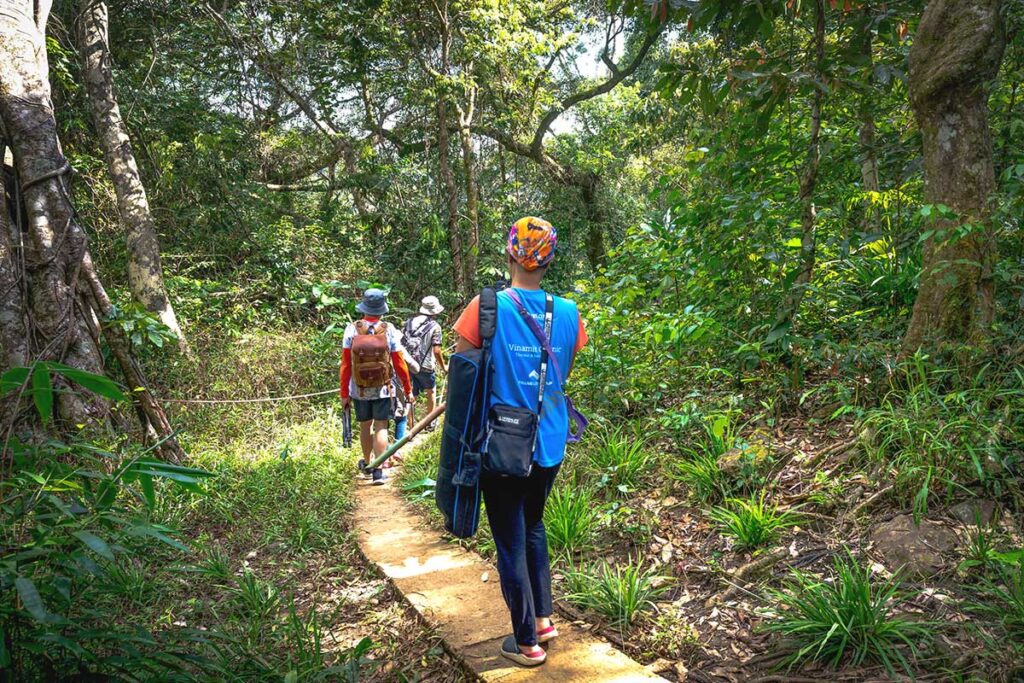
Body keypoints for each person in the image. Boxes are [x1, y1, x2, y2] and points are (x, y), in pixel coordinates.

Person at [452, 217, 587, 667]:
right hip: (550, 440)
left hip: (502, 444)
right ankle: (544, 618)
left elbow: (462, 367)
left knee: (509, 538)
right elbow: (568, 359)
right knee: (532, 523)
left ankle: (526, 642)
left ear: (509, 253)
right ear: (549, 259)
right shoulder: (570, 313)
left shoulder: (486, 306)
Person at [339, 288, 413, 485]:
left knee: (365, 426)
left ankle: (368, 464)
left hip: (358, 388)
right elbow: (399, 362)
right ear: (382, 309)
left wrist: (344, 392)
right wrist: (407, 388)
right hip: (383, 387)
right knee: (381, 426)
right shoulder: (389, 330)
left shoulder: (351, 329)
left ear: (364, 308)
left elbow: (346, 364)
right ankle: (379, 471)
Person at [403, 295, 447, 428]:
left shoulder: (409, 322)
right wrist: (443, 367)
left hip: (409, 363)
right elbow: (437, 350)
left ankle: (411, 427)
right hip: (426, 366)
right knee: (431, 392)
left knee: (410, 395)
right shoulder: (436, 327)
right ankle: (430, 423)